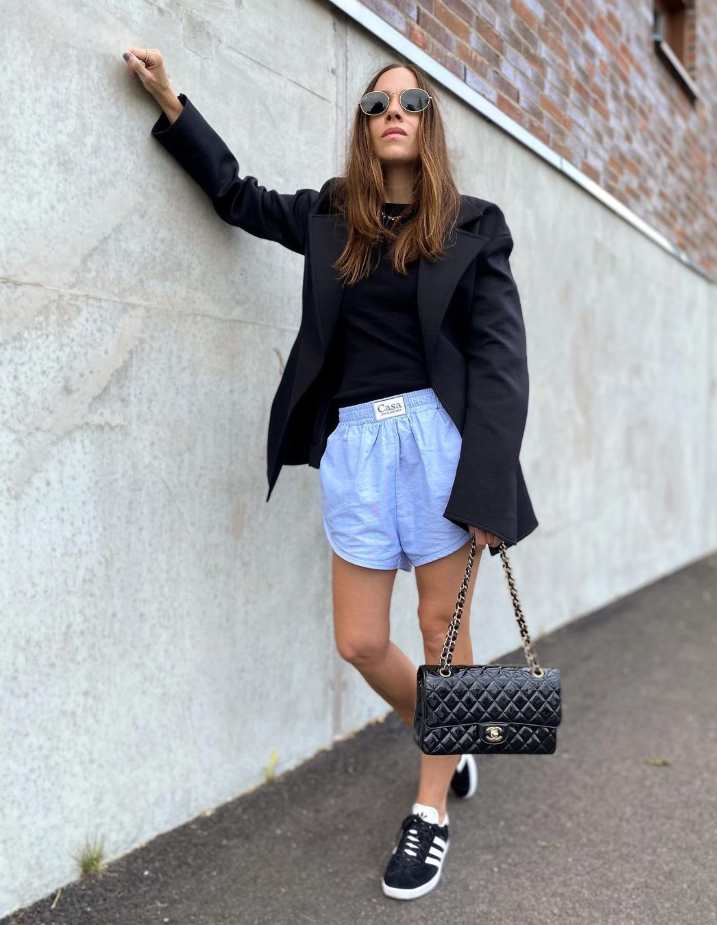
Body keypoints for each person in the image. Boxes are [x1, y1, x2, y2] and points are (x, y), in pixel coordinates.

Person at [122, 47, 538, 901]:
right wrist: (173, 103)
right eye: (376, 102)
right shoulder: (329, 216)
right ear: (362, 126)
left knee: (438, 635)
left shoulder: (475, 225)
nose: (393, 110)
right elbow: (239, 197)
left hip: (439, 443)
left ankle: (430, 811)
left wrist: (490, 481)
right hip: (355, 446)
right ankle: (451, 732)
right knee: (358, 639)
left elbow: (502, 362)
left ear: (428, 123)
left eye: (411, 100)